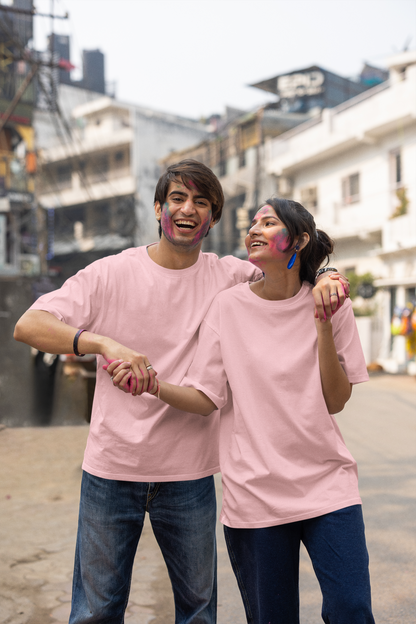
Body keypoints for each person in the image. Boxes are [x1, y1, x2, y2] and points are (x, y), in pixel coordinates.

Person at [14, 162, 348, 624]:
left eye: (202, 202)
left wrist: (329, 278)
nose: (188, 209)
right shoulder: (110, 273)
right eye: (177, 198)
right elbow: (28, 324)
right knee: (95, 610)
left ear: (211, 219)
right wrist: (102, 342)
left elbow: (290, 272)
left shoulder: (230, 276)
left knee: (197, 612)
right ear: (159, 208)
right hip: (112, 470)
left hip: (190, 475)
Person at [111, 197, 375, 624]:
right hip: (255, 496)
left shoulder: (330, 302)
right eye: (252, 223)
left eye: (268, 223)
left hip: (329, 486)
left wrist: (322, 322)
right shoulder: (227, 307)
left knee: (351, 609)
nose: (253, 230)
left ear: (299, 240)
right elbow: (205, 397)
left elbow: (336, 400)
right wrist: (154, 386)